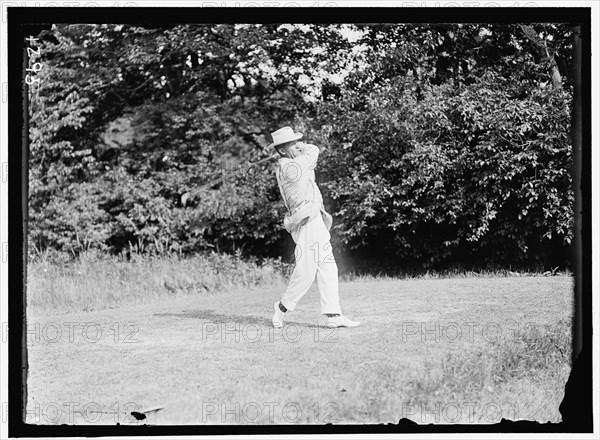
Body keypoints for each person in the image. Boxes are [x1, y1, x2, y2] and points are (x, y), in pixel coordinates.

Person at [269, 126, 360, 329]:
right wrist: (304, 147)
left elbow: (310, 156)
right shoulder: (291, 168)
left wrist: (296, 147)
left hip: (314, 218)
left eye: (298, 141)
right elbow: (314, 150)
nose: (299, 145)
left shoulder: (292, 162)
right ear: (283, 150)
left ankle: (334, 315)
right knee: (306, 271)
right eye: (293, 143)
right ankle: (282, 307)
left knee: (328, 266)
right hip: (305, 221)